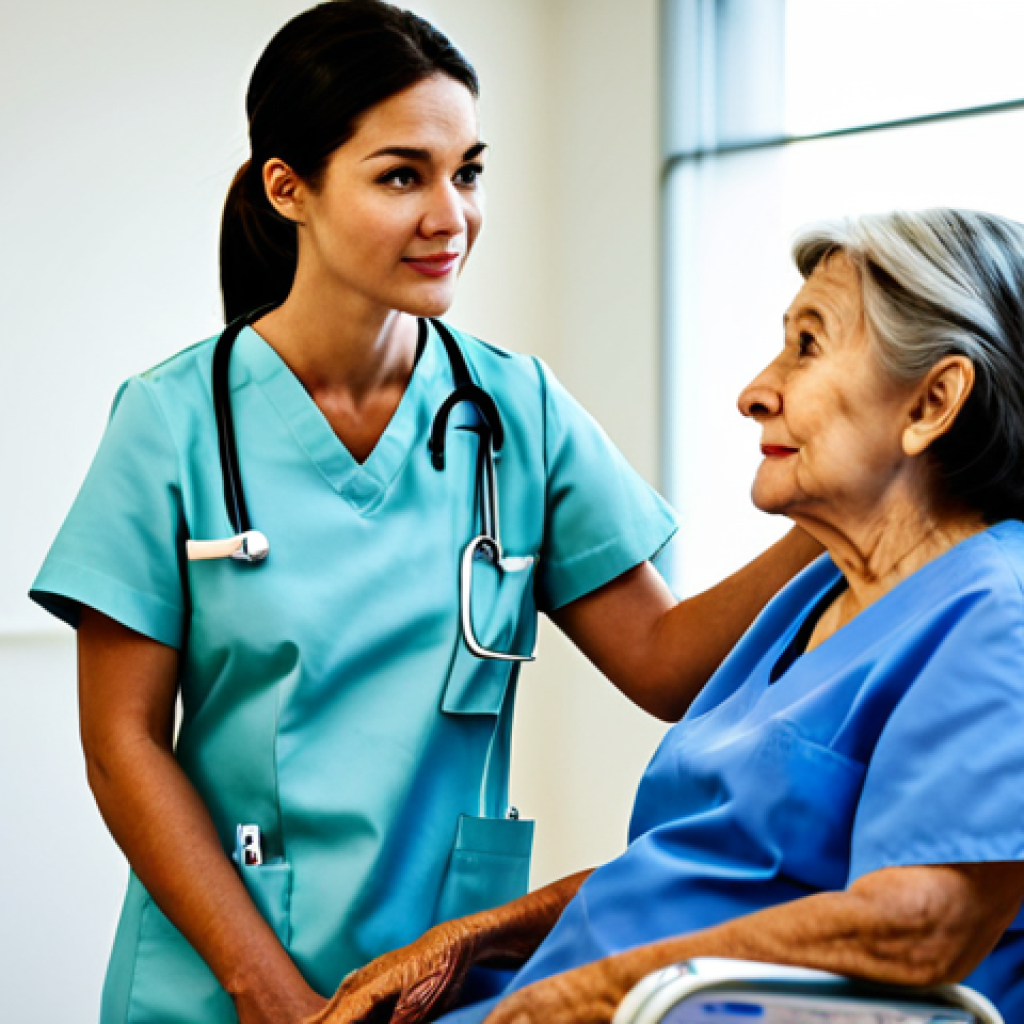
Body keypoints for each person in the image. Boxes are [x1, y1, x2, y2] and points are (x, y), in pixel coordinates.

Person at [28, 3, 819, 1023]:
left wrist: (840, 511)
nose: (451, 214)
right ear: (288, 188)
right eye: (403, 174)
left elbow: (666, 662)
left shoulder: (518, 411)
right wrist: (271, 996)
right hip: (216, 990)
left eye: (468, 171)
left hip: (441, 987)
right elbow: (122, 741)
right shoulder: (173, 420)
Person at [313, 208, 1024, 1024]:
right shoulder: (816, 594)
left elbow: (922, 924)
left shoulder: (994, 615)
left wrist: (591, 991)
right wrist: (478, 935)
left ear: (933, 401)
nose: (756, 392)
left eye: (808, 346)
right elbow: (699, 871)